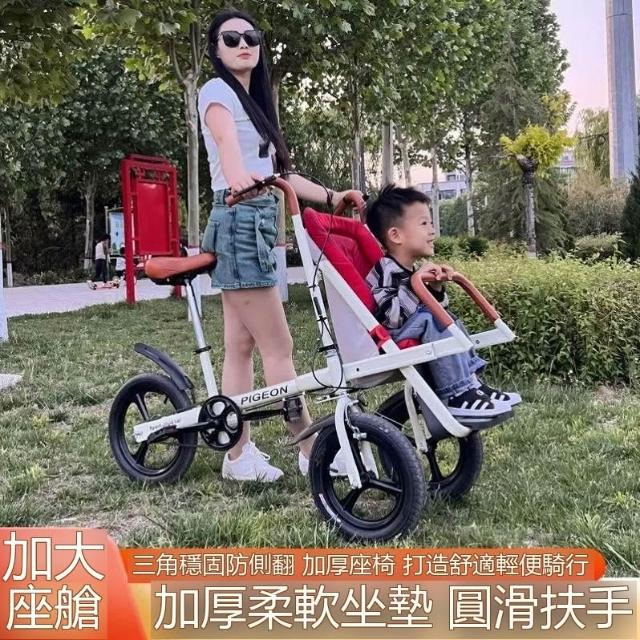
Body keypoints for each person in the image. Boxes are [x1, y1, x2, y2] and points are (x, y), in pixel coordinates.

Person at [198, 9, 361, 482]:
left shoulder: (256, 103)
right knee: (279, 345)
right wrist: (238, 178)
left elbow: (280, 174)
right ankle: (310, 449)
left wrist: (333, 196)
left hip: (256, 219)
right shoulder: (216, 92)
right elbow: (227, 147)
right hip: (238, 216)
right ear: (216, 49)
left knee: (240, 345)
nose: (243, 44)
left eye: (250, 37)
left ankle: (237, 455)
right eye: (231, 38)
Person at [365, 185, 519, 418]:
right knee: (433, 318)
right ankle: (457, 393)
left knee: (447, 319)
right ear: (396, 235)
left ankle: (473, 383)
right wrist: (415, 284)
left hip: (411, 328)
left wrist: (434, 288)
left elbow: (423, 308)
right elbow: (392, 318)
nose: (432, 230)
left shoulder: (410, 270)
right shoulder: (387, 270)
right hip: (392, 337)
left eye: (431, 223)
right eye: (424, 223)